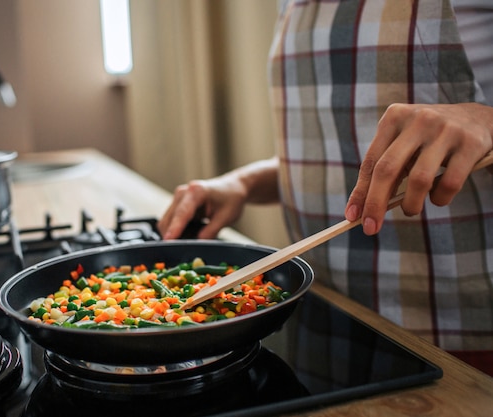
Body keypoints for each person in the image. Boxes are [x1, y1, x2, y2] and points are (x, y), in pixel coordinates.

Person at [158, 0, 493, 376]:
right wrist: (242, 184)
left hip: (460, 343)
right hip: (324, 320)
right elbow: (332, 156)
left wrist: (486, 122)